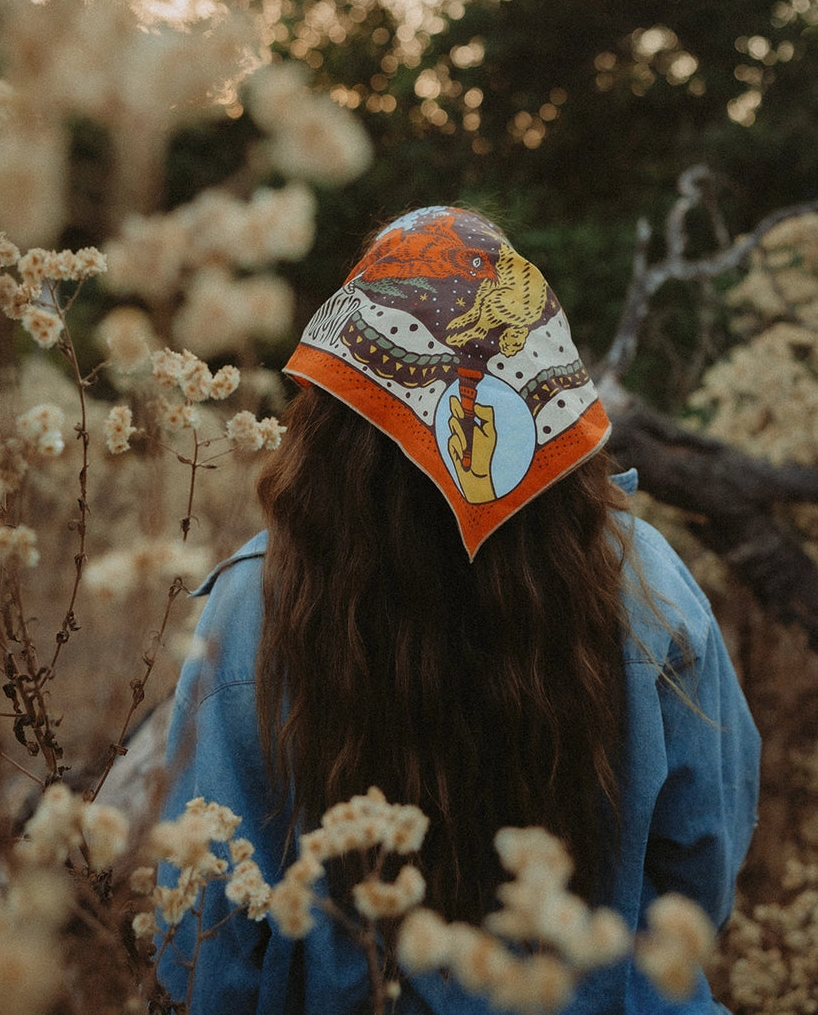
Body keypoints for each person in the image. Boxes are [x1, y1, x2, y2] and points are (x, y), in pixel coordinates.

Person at [157, 206, 760, 1014]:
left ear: (333, 406)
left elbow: (205, 933)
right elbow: (700, 873)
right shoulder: (646, 581)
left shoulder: (255, 603)